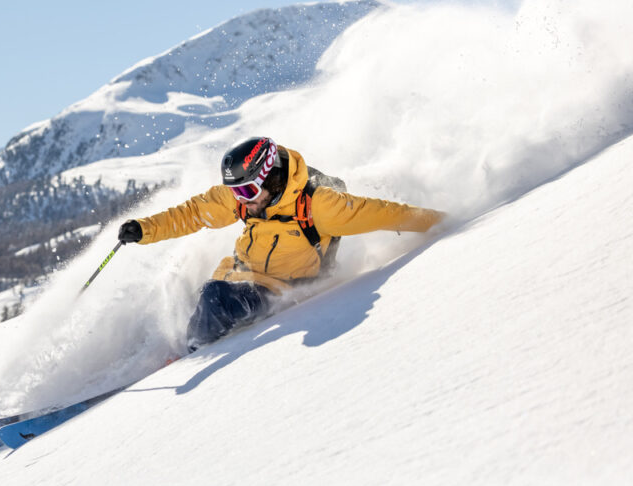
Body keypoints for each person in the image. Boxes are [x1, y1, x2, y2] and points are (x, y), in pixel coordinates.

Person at [117, 137, 445, 351]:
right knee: (193, 292)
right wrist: (143, 229)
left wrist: (447, 219)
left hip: (278, 292)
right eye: (233, 193)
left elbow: (386, 215)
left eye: (245, 192)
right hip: (236, 279)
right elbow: (189, 215)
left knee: (213, 299)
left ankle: (192, 353)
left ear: (270, 177)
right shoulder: (247, 198)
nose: (238, 201)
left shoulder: (320, 206)